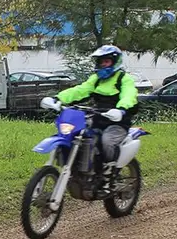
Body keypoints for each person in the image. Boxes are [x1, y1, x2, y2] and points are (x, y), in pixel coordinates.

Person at [41, 45, 140, 195]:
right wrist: (58, 98)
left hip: (117, 123)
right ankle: (81, 170)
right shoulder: (96, 80)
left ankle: (108, 178)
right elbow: (79, 90)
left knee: (107, 141)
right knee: (77, 136)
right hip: (97, 119)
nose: (102, 65)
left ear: (115, 62)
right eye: (100, 62)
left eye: (106, 62)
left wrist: (121, 109)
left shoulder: (124, 79)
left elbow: (129, 95)